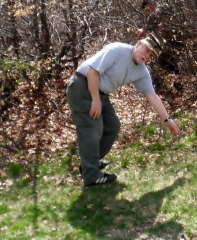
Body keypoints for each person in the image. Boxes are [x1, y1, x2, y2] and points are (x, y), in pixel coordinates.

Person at [65, 35, 181, 187]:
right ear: (138, 43)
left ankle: (89, 164)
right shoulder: (117, 50)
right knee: (93, 128)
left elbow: (152, 97)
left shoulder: (141, 71)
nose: (147, 56)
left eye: (151, 55)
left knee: (113, 126)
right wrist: (95, 100)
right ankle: (91, 175)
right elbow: (93, 71)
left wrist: (169, 121)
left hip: (100, 93)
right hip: (82, 86)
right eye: (146, 50)